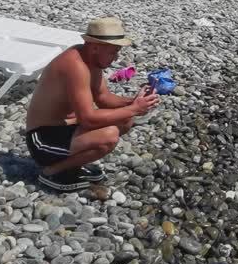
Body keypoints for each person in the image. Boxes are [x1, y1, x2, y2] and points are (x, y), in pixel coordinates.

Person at [25, 17, 159, 192]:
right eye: (113, 52)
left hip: (64, 128)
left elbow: (103, 98)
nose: (116, 57)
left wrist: (134, 102)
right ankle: (52, 172)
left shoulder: (91, 60)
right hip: (42, 139)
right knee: (109, 135)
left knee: (125, 119)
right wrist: (134, 109)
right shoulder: (75, 66)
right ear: (95, 47)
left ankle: (71, 164)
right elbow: (88, 119)